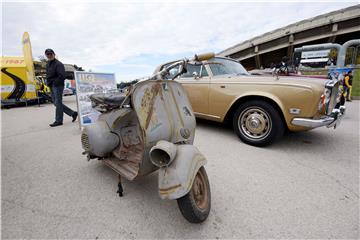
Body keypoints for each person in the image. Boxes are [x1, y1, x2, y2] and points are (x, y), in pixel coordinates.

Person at [45, 49, 78, 127]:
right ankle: (73, 113)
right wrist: (49, 83)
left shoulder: (58, 64)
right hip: (51, 85)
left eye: (50, 54)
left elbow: (62, 75)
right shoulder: (48, 64)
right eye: (47, 54)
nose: (49, 55)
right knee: (56, 103)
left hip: (58, 86)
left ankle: (58, 120)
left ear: (54, 54)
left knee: (58, 103)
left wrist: (55, 82)